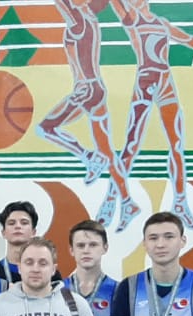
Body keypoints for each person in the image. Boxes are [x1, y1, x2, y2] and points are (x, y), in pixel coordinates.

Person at [111, 0, 193, 229]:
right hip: (146, 81)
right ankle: (118, 201)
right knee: (131, 145)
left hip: (165, 81)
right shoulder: (132, 20)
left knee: (176, 144)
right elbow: (117, 5)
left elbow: (189, 40)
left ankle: (180, 202)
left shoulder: (162, 23)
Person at [34, 0, 139, 231]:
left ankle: (87, 156)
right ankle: (127, 202)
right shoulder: (88, 20)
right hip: (96, 90)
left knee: (45, 128)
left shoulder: (79, 20)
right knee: (108, 152)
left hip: (87, 90)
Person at [0, 201, 37, 285]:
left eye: (24, 223)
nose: (18, 226)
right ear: (3, 233)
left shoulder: (48, 274)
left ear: (33, 232)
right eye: (11, 223)